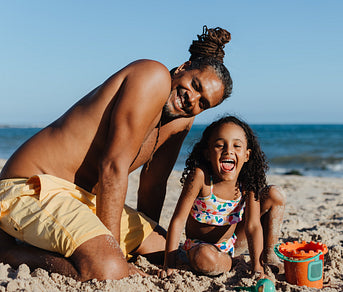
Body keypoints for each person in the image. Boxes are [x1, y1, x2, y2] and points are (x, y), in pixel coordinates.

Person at [0, 26, 233, 281]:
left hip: (85, 200)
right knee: (109, 268)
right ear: (182, 67)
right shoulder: (152, 75)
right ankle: (10, 252)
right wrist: (116, 255)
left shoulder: (181, 121)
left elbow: (153, 185)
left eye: (203, 103)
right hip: (32, 188)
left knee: (167, 250)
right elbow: (112, 166)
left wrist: (141, 241)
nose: (193, 100)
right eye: (195, 85)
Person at [161, 116, 285, 278]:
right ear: (207, 153)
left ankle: (268, 256)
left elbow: (253, 226)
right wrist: (169, 264)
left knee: (274, 194)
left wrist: (257, 268)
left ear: (247, 155)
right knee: (204, 258)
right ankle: (232, 262)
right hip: (200, 246)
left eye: (237, 146)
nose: (228, 150)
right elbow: (178, 221)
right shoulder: (200, 177)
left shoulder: (247, 181)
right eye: (220, 145)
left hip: (232, 242)